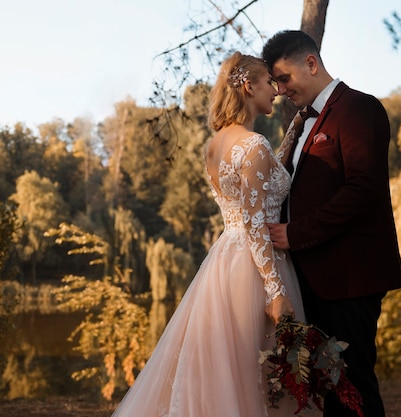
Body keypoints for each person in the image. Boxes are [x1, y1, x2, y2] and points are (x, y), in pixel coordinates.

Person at [110, 51, 307, 417]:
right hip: (256, 267)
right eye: (269, 83)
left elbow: (254, 191)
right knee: (258, 377)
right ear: (249, 86)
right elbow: (254, 221)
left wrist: (292, 134)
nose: (276, 91)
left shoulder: (215, 145)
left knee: (225, 374)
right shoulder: (254, 145)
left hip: (224, 264)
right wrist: (276, 291)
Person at [261, 30, 401, 417]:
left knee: (353, 388)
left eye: (284, 78)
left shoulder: (360, 108)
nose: (279, 89)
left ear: (311, 63)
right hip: (311, 278)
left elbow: (363, 190)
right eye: (274, 82)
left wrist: (296, 233)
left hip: (348, 278)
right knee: (328, 390)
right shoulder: (301, 123)